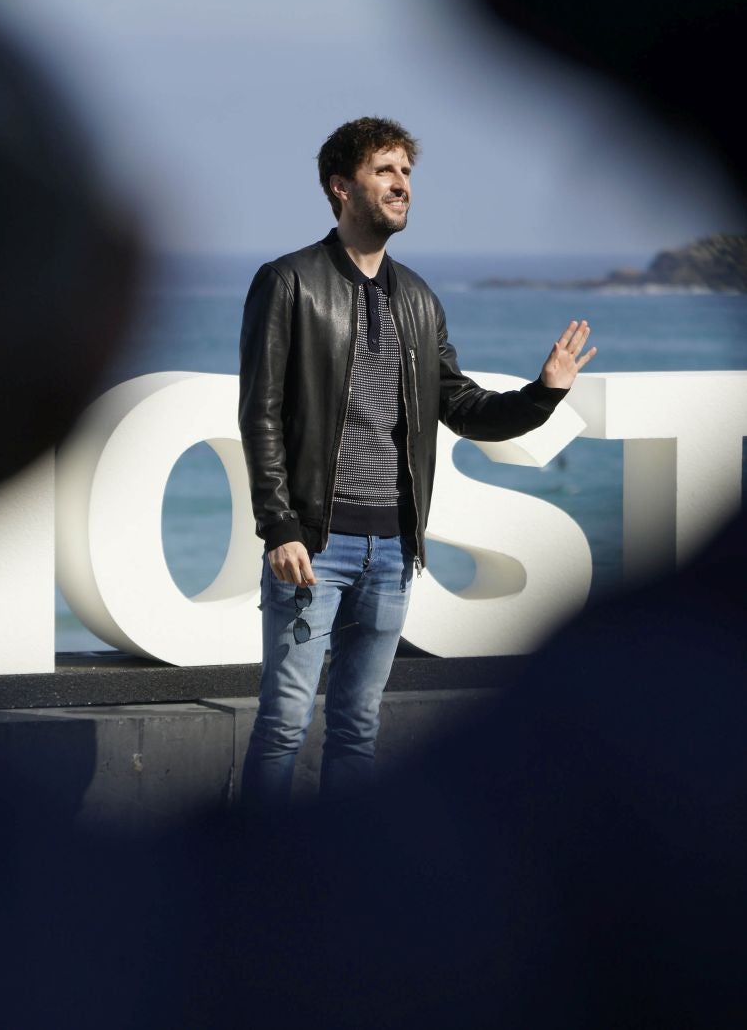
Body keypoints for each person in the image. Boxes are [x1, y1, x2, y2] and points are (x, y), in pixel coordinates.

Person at [237, 115, 596, 806]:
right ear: (341, 188)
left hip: (396, 548)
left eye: (407, 172)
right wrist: (278, 524)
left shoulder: (419, 300)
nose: (402, 185)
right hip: (315, 545)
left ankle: (341, 884)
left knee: (357, 729)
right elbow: (261, 413)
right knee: (284, 724)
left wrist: (543, 393)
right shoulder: (288, 282)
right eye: (385, 171)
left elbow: (461, 406)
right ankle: (247, 890)